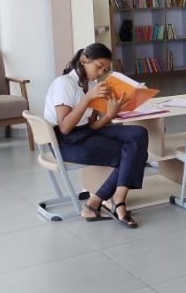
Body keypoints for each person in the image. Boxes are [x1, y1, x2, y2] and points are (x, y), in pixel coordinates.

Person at [44, 43, 148, 228]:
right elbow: (65, 127)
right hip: (65, 142)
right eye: (99, 66)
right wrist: (88, 98)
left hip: (86, 133)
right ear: (84, 60)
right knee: (133, 154)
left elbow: (93, 126)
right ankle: (113, 202)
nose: (101, 73)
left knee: (139, 134)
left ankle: (104, 200)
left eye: (105, 70)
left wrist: (109, 114)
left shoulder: (92, 85)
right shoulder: (64, 84)